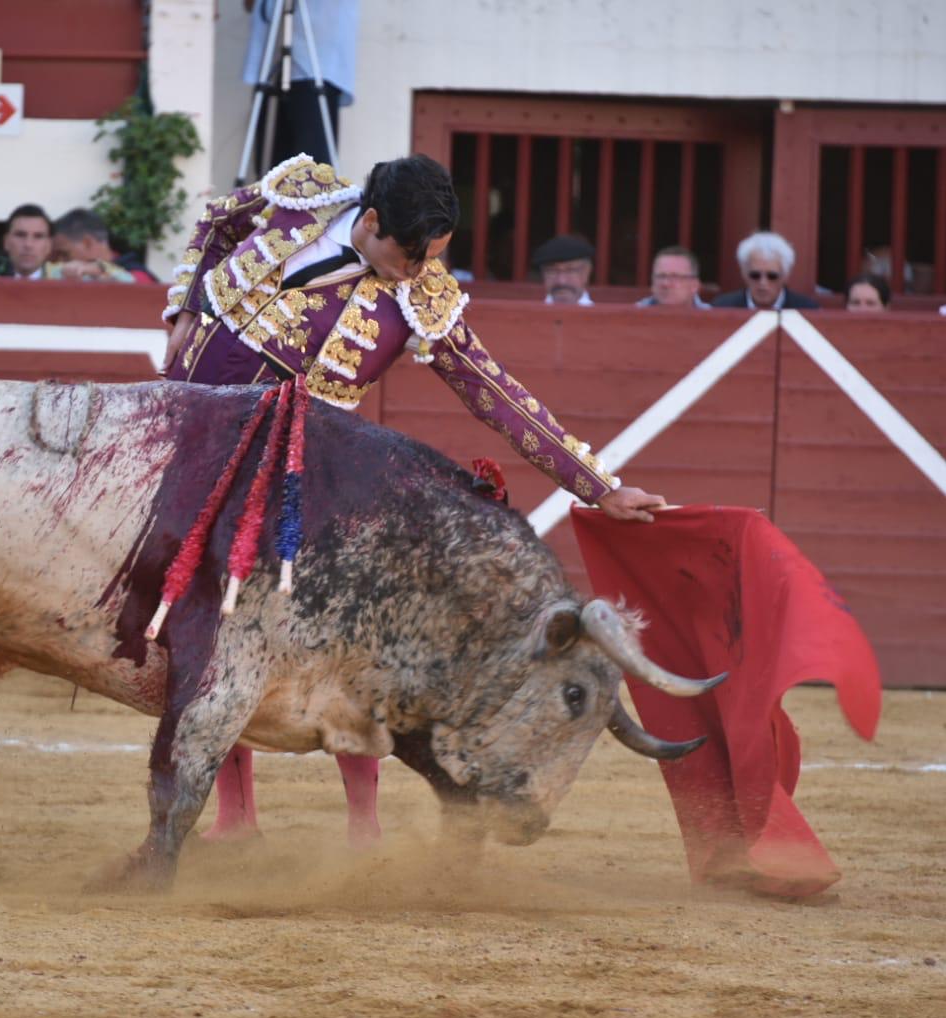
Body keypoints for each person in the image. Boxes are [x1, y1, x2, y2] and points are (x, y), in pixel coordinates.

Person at [161, 153, 668, 843]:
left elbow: (501, 398)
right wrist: (185, 308)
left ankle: (363, 826)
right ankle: (236, 816)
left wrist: (599, 487)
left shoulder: (421, 299)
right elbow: (217, 222)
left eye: (430, 256)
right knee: (207, 626)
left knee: (340, 645)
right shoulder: (300, 195)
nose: (418, 270)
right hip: (187, 438)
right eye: (409, 254)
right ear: (368, 220)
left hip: (292, 475)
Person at [242, 0, 358, 171]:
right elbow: (250, 5)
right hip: (272, 63)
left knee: (312, 170)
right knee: (271, 169)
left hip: (315, 62)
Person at [711, 231, 820, 310]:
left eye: (772, 276)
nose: (763, 282)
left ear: (785, 276)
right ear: (744, 274)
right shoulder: (722, 307)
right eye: (755, 275)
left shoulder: (807, 309)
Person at [50, 208, 152, 282]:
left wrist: (102, 273)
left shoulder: (137, 275)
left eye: (64, 254)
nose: (61, 261)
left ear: (87, 243)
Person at [636, 245, 711, 309]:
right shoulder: (634, 314)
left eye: (675, 277)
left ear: (694, 285)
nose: (666, 284)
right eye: (661, 276)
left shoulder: (714, 319)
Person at [532, 234, 595, 305]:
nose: (561, 281)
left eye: (571, 270)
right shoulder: (527, 314)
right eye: (552, 271)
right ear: (543, 274)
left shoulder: (602, 314)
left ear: (587, 271)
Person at [2, 204, 61, 279]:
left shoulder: (65, 285)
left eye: (38, 236)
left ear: (49, 245)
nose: (28, 244)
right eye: (20, 235)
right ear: (6, 242)